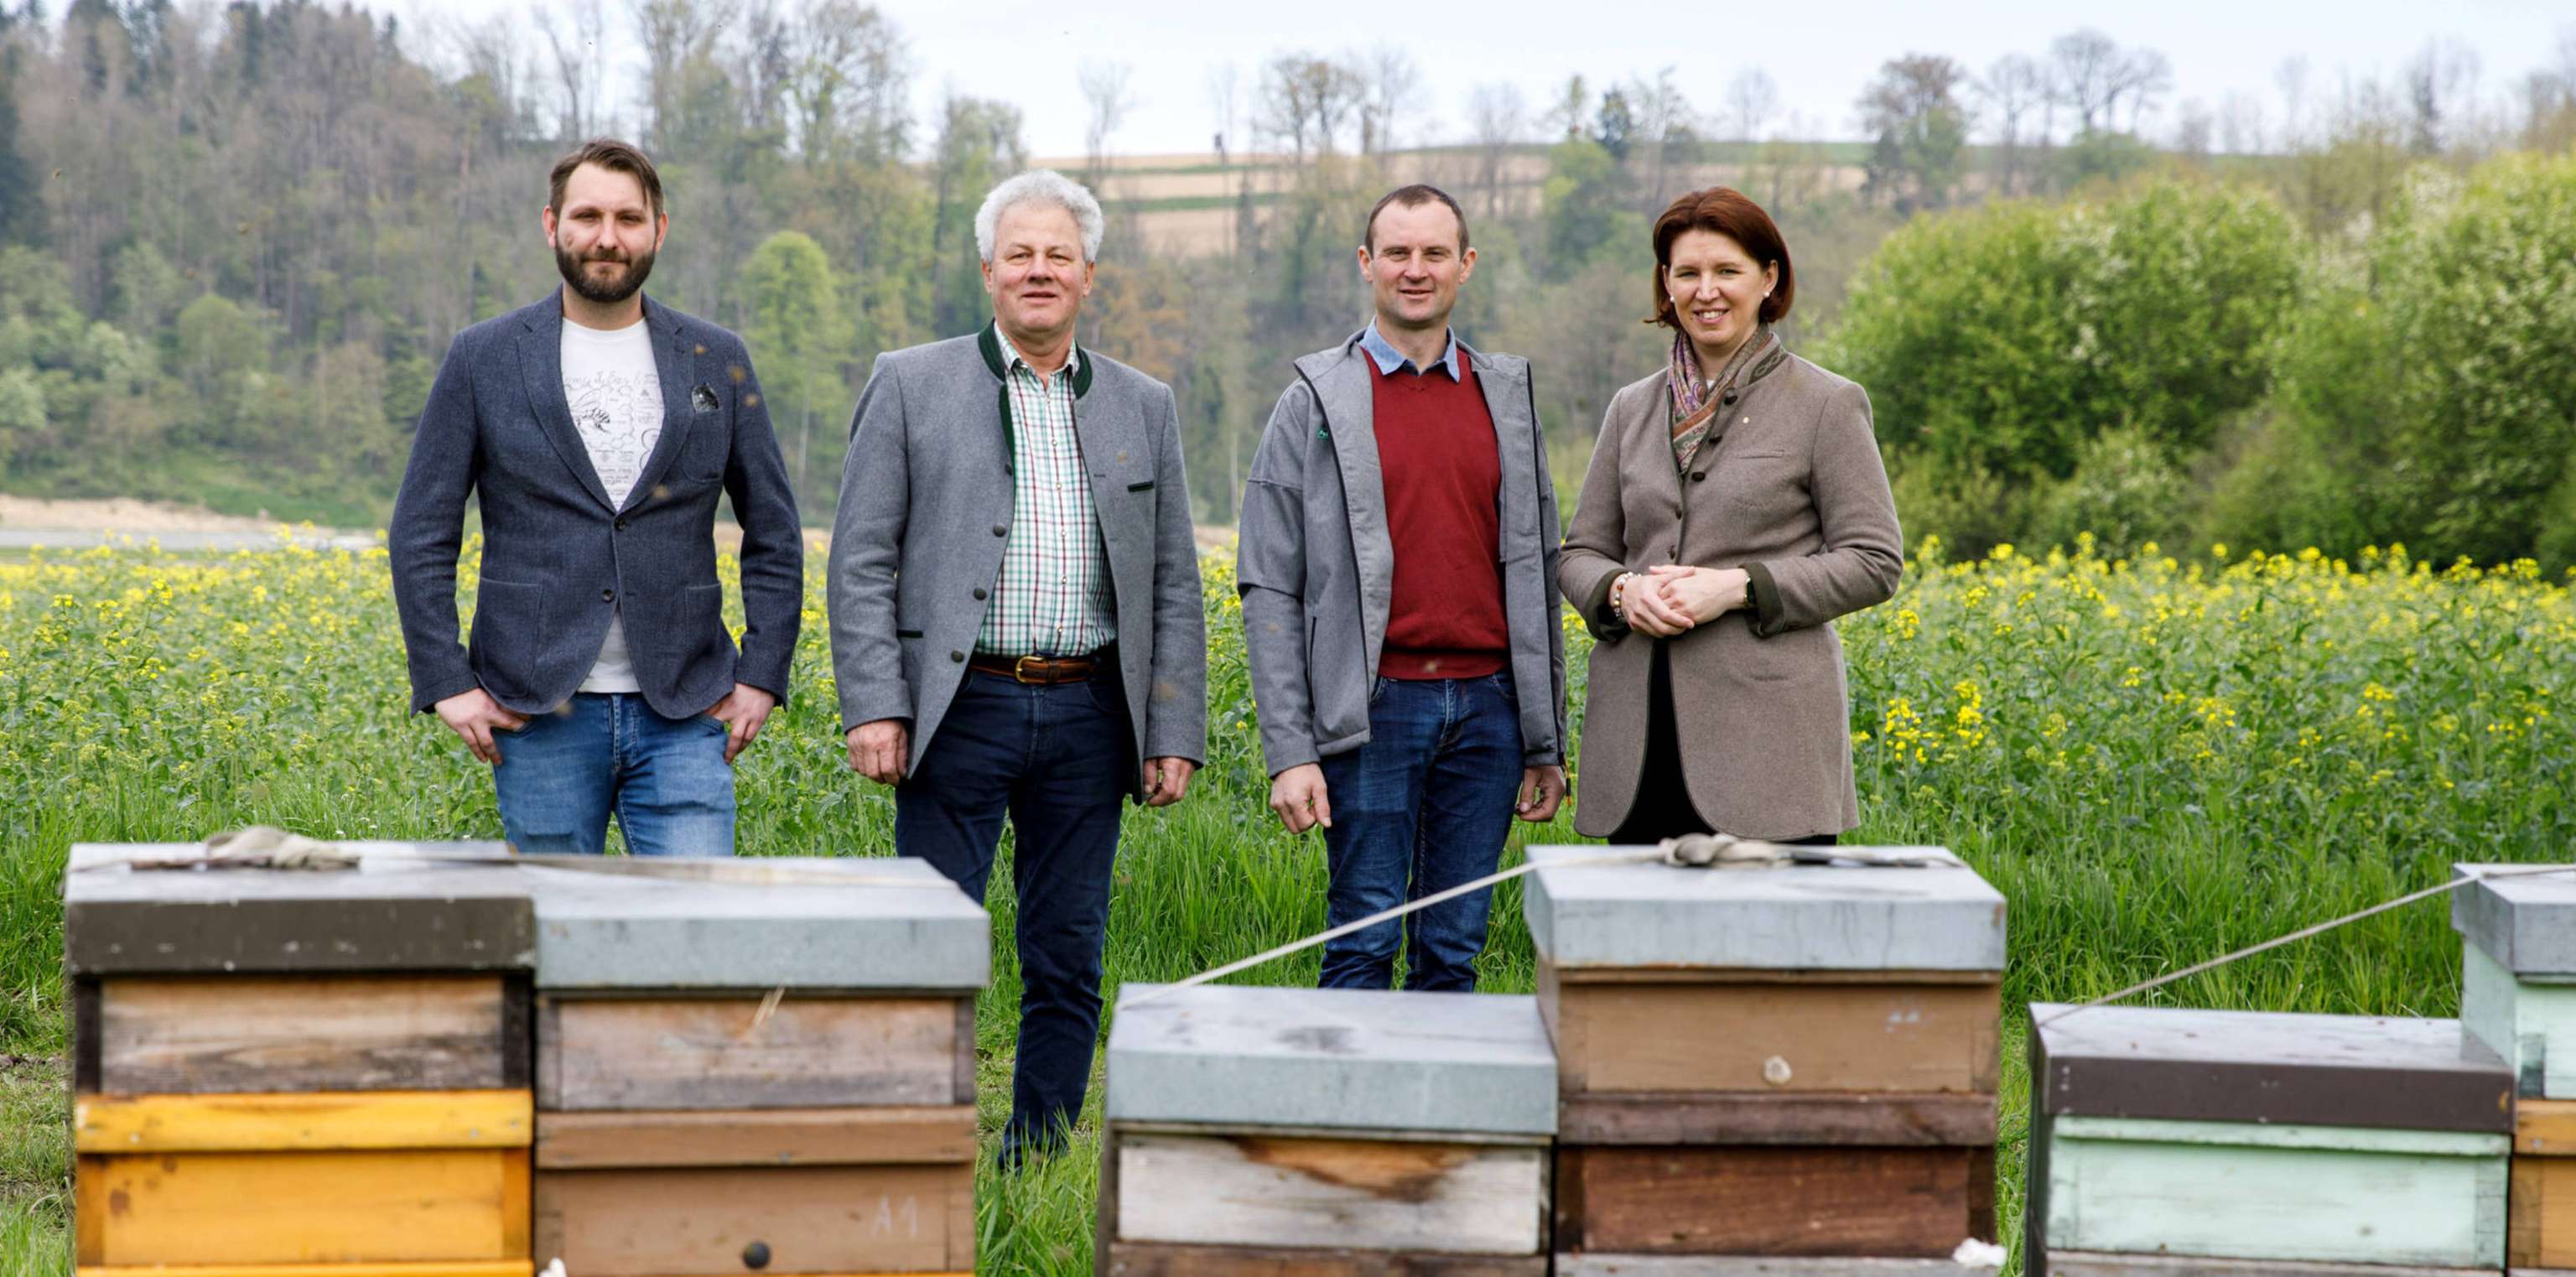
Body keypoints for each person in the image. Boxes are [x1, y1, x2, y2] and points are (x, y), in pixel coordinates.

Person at [827, 169, 1205, 1168]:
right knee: (926, 944)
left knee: (1067, 953)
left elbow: (1172, 579)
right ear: (989, 269)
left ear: (1089, 274)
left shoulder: (1144, 403)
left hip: (1088, 714)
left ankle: (1032, 1156)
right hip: (958, 709)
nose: (1040, 271)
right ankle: (915, 1144)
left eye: (1059, 255)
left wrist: (1172, 729)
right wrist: (874, 702)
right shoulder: (911, 382)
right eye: (1020, 254)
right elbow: (861, 555)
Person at [389, 138, 802, 856]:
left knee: (695, 944)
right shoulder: (482, 357)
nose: (607, 238)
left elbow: (774, 529)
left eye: (628, 218)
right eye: (587, 216)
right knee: (557, 937)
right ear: (552, 225)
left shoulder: (716, 356)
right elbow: (421, 530)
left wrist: (763, 674)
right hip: (537, 707)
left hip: (684, 708)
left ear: (659, 230)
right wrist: (445, 679)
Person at [1237, 184, 1569, 993]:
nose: (1414, 271)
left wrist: (1544, 738)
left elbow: (1539, 568)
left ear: (1465, 266)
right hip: (1374, 710)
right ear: (1366, 264)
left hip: (1489, 712)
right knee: (1363, 937)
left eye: (1433, 254)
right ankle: (1343, 1123)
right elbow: (1268, 585)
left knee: (1454, 948)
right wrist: (1291, 751)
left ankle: (1431, 1122)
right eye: (1396, 253)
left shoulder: (1508, 398)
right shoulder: (1312, 401)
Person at [1559, 186, 1901, 846]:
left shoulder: (1828, 404)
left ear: (1768, 279)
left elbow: (1875, 561)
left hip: (1771, 760)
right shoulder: (1630, 408)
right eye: (1686, 273)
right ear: (1666, 284)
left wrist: (1739, 587)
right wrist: (1621, 591)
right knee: (1645, 953)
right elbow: (1579, 554)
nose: (1705, 290)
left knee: (1770, 952)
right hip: (1638, 752)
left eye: (1727, 271)